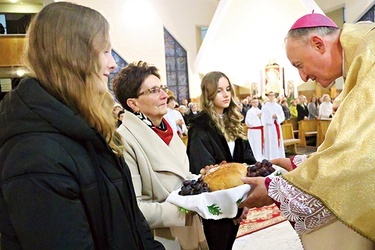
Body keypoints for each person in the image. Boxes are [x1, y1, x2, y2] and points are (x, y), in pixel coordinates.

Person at [0, 2, 163, 249]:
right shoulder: (35, 154)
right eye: (105, 51)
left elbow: (132, 224)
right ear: (73, 56)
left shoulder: (90, 126)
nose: (112, 64)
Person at [240, 12, 375, 250]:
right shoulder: (364, 52)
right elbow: (351, 137)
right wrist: (299, 163)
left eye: (299, 65)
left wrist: (277, 190)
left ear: (318, 43)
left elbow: (369, 150)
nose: (303, 76)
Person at [113, 61, 207, 250]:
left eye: (162, 88)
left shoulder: (166, 127)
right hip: (162, 238)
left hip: (191, 229)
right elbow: (135, 208)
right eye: (154, 90)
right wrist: (185, 208)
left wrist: (203, 182)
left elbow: (181, 176)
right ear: (133, 103)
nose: (165, 95)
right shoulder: (125, 139)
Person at [187, 71, 256, 250]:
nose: (226, 94)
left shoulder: (234, 122)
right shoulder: (200, 127)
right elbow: (203, 169)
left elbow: (248, 161)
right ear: (208, 94)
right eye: (219, 91)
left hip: (238, 199)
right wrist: (231, 202)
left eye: (227, 89)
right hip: (215, 204)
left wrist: (243, 202)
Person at [261, 91, 285, 160]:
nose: (271, 97)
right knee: (270, 142)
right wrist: (271, 118)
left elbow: (282, 116)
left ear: (275, 96)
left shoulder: (278, 106)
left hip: (276, 126)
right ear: (268, 97)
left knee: (277, 141)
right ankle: (270, 157)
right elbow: (263, 118)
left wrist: (277, 116)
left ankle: (279, 156)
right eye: (270, 95)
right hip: (269, 128)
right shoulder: (265, 107)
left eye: (273, 95)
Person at [245, 97, 263, 161]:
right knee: (254, 145)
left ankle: (260, 157)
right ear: (251, 103)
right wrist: (256, 117)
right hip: (253, 131)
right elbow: (248, 122)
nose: (255, 103)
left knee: (259, 145)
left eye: (256, 102)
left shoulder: (260, 111)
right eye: (254, 102)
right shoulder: (249, 112)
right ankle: (254, 158)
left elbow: (263, 121)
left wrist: (261, 118)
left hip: (260, 131)